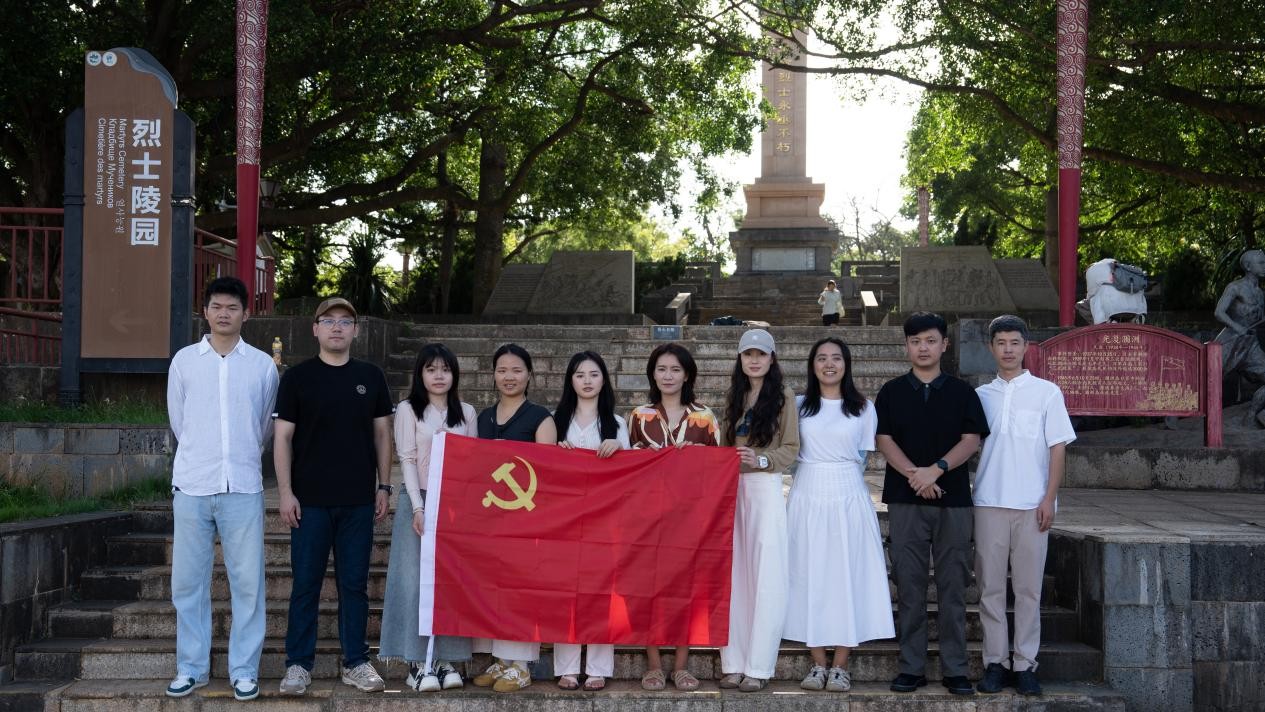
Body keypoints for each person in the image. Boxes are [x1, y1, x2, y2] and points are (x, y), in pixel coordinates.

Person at [165, 277, 278, 702]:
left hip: (243, 485)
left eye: (232, 307)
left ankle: (244, 670)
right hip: (193, 483)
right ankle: (191, 668)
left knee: (248, 583)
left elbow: (263, 426)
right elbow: (179, 421)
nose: (224, 313)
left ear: (246, 313)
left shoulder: (262, 366)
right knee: (188, 583)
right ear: (206, 312)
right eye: (217, 306)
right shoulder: (184, 362)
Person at [275, 298, 394, 696]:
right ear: (315, 329)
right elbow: (282, 438)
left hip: (358, 500)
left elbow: (382, 433)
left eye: (345, 321)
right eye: (328, 321)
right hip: (308, 501)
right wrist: (286, 492)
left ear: (355, 330)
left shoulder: (370, 376)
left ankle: (356, 662)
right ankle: (298, 664)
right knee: (305, 584)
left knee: (354, 585)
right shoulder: (297, 378)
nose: (337, 327)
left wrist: (384, 485)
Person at [875, 312, 988, 696]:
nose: (923, 348)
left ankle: (956, 669)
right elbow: (884, 439)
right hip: (905, 500)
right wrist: (915, 476)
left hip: (953, 501)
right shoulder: (891, 392)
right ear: (906, 346)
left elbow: (971, 439)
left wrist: (935, 470)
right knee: (909, 585)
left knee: (954, 587)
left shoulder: (962, 392)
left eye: (930, 340)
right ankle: (912, 667)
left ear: (944, 344)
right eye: (915, 341)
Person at [973, 315, 1076, 697]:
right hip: (989, 501)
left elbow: (1057, 448)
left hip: (1033, 505)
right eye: (1000, 342)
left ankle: (1025, 664)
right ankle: (995, 663)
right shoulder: (980, 396)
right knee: (990, 588)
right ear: (991, 348)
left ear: (1026, 346)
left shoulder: (1047, 393)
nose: (1008, 349)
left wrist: (1049, 498)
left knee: (1029, 589)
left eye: (1014, 342)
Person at [784, 337, 893, 693]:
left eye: (836, 358)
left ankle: (841, 665)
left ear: (846, 364)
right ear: (812, 365)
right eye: (821, 358)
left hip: (848, 494)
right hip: (807, 492)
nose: (829, 364)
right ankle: (817, 663)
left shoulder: (863, 407)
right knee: (807, 572)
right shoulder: (798, 406)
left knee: (849, 573)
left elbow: (862, 456)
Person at [378, 343, 478, 691]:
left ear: (455, 374)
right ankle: (417, 661)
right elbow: (406, 459)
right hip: (418, 499)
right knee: (413, 580)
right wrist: (418, 507)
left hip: (455, 504)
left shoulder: (467, 412)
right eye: (431, 369)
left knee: (450, 581)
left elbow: (473, 462)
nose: (439, 376)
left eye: (445, 370)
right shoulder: (408, 409)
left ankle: (447, 657)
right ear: (420, 374)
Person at [628, 343, 719, 691]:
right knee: (646, 587)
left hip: (691, 516)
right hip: (647, 515)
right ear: (653, 373)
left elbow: (720, 468)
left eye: (675, 369)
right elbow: (627, 469)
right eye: (662, 369)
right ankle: (653, 664)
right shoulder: (639, 416)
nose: (668, 376)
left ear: (687, 375)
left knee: (687, 588)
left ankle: (681, 665)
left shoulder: (705, 417)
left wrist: (698, 455)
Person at [470, 343, 559, 693]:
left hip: (527, 520)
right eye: (502, 370)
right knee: (494, 589)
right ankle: (502, 660)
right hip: (490, 520)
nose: (509, 377)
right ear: (493, 375)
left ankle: (521, 665)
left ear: (529, 375)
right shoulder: (482, 418)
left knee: (521, 590)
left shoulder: (540, 418)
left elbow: (549, 471)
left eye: (517, 370)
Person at [717, 328, 800, 692]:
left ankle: (759, 665)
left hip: (765, 487)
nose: (754, 360)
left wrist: (762, 459)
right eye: (748, 354)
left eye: (761, 354)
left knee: (766, 577)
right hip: (732, 489)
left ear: (771, 358)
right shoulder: (733, 395)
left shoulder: (783, 396)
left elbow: (791, 447)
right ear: (740, 358)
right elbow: (722, 445)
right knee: (734, 575)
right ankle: (733, 663)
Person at [550, 351, 631, 692]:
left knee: (602, 591)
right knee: (565, 591)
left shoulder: (617, 424)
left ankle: (598, 666)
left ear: (604, 380)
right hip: (564, 520)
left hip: (605, 521)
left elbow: (631, 475)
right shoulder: (554, 421)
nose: (586, 381)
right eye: (580, 374)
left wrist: (619, 449)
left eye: (594, 374)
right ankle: (567, 667)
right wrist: (557, 453)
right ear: (570, 380)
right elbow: (542, 468)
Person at [1214, 248, 1265, 427]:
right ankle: (1172, 412)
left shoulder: (1260, 293)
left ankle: (1251, 416)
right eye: (1261, 263)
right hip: (1230, 341)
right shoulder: (1235, 287)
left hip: (1250, 345)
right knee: (1206, 378)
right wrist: (1237, 327)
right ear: (1248, 267)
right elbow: (1219, 312)